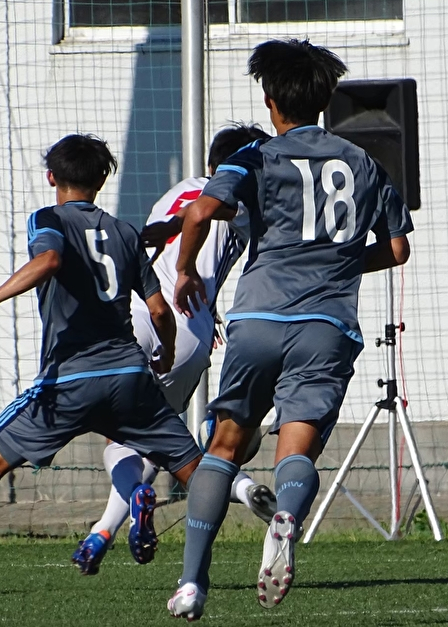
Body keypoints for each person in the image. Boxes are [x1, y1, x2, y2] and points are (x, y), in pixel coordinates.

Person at [165, 40, 413, 620]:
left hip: (258, 320)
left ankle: (191, 585)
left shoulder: (252, 156)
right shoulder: (364, 162)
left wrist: (185, 271)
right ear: (324, 100)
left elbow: (200, 212)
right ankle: (285, 519)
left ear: (270, 100)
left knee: (224, 446)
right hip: (326, 326)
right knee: (295, 447)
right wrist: (341, 262)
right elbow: (398, 249)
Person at [0, 134, 202, 596]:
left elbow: (50, 258)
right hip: (129, 376)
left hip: (70, 380)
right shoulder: (125, 232)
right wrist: (165, 350)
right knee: (198, 472)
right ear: (102, 181)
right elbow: (160, 311)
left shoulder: (48, 218)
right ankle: (205, 569)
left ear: (52, 178)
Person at [71, 123, 275, 576]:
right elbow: (209, 231)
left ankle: (106, 528)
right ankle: (106, 531)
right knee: (153, 438)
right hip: (189, 331)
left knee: (123, 436)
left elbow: (162, 238)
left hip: (142, 312)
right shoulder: (248, 203)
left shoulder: (178, 190)